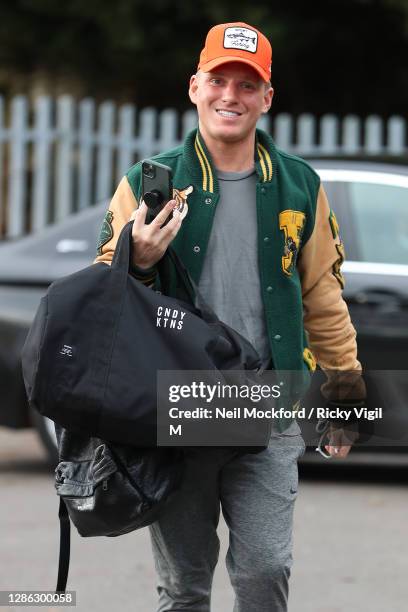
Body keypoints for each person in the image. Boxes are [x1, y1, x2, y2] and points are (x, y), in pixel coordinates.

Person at [94, 21, 363, 612]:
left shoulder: (299, 185)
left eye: (247, 85)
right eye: (219, 80)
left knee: (265, 571)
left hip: (268, 404)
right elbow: (104, 292)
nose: (230, 97)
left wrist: (344, 393)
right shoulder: (148, 183)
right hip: (179, 403)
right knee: (185, 586)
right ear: (194, 87)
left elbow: (322, 292)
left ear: (267, 99)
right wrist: (136, 260)